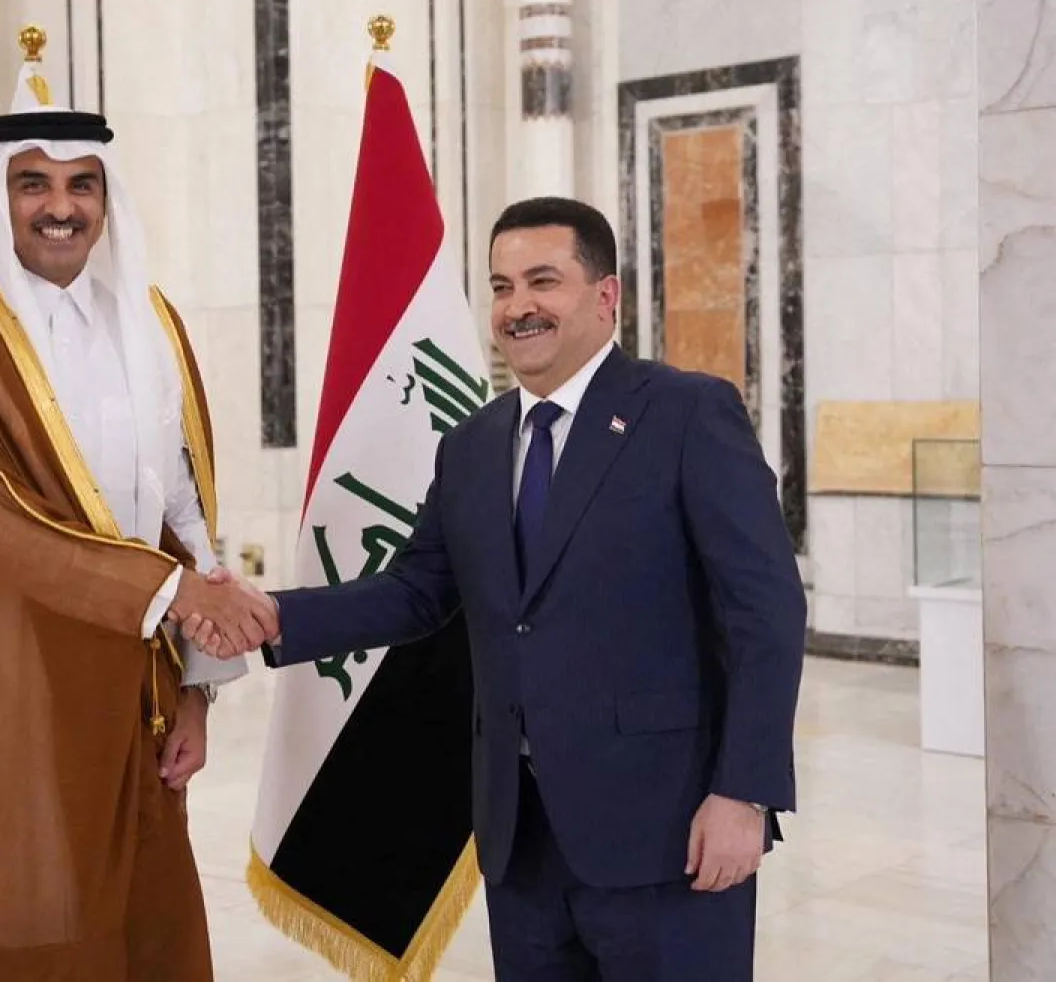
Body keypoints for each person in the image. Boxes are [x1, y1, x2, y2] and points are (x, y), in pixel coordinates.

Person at [187, 197, 806, 981]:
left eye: (543, 281)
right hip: (521, 840)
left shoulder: (686, 412)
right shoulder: (472, 444)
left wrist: (744, 792)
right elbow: (416, 590)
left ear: (606, 295)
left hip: (666, 830)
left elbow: (766, 611)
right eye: (502, 287)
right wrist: (274, 615)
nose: (518, 307)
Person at [0, 51, 271, 981]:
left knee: (141, 914)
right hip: (1, 683)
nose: (61, 206)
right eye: (34, 185)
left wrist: (198, 687)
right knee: (19, 907)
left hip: (136, 686)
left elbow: (183, 510)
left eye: (82, 184)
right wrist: (176, 593)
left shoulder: (150, 318)